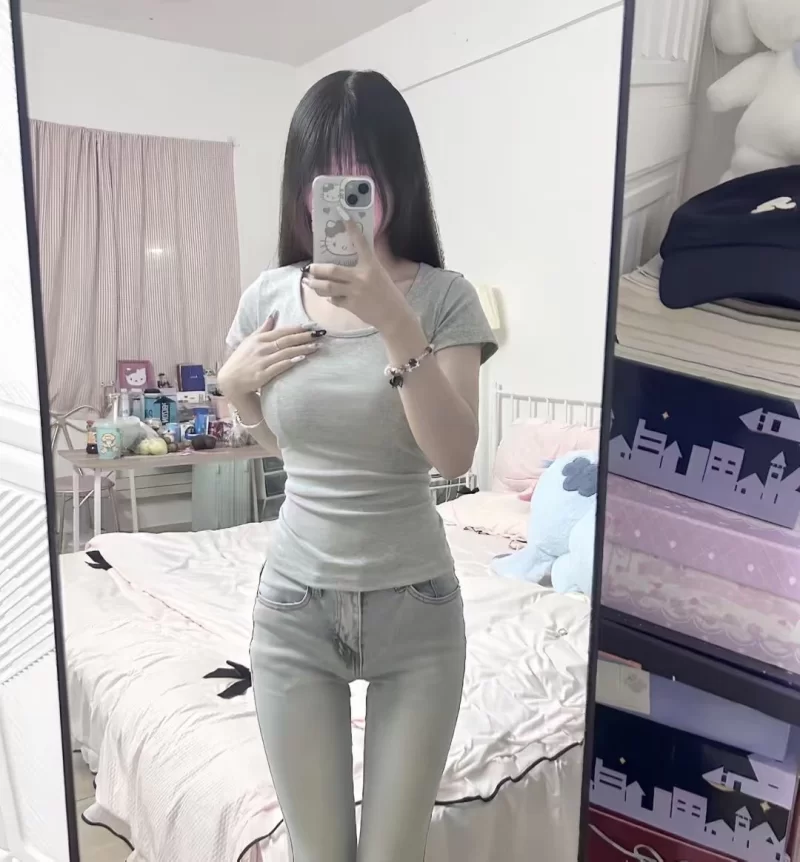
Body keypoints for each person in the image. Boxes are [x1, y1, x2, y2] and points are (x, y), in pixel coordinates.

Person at [218, 69, 497, 862]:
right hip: (294, 609)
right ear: (301, 192)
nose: (342, 200)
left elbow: (453, 456)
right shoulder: (268, 298)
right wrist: (237, 393)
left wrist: (394, 323)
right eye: (324, 178)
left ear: (397, 179)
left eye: (361, 177)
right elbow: (291, 450)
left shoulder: (444, 299)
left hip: (417, 612)